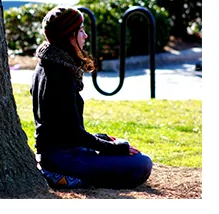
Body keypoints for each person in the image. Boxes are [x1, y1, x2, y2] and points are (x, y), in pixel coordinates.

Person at [29, 7, 152, 189]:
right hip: (62, 157)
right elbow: (73, 134)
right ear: (68, 36)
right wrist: (116, 148)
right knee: (142, 164)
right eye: (81, 31)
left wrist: (103, 139)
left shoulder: (48, 64)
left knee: (125, 149)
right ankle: (63, 177)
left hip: (61, 151)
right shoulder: (59, 75)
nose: (85, 36)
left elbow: (66, 127)